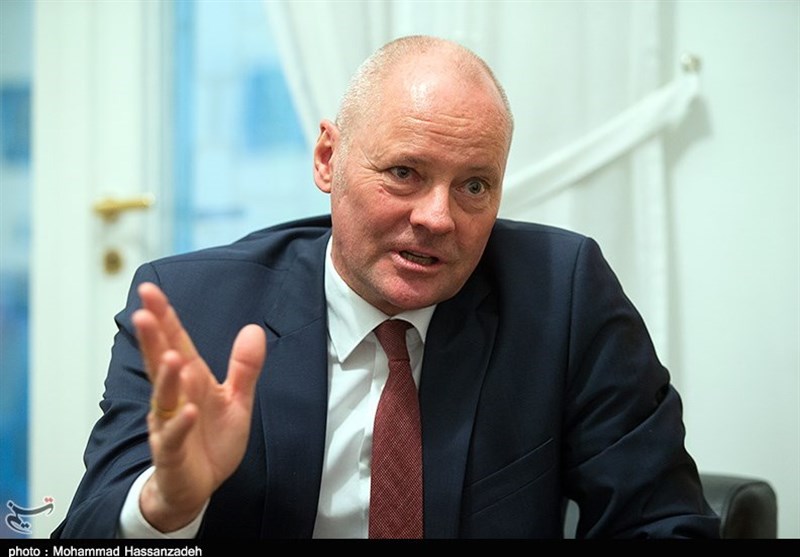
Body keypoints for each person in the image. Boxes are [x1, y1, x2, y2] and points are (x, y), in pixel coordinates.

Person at [52, 35, 720, 539]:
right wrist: (165, 505)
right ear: (328, 159)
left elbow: (662, 520)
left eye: (474, 185)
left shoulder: (562, 296)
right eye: (404, 172)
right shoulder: (195, 310)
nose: (437, 217)